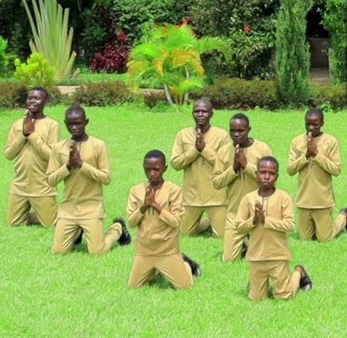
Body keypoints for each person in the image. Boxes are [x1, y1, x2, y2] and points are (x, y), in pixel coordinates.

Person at [47, 105, 130, 255]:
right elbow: (50, 180)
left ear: (86, 122)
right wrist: (68, 166)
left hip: (91, 207)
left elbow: (106, 178)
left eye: (78, 123)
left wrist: (81, 165)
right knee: (58, 251)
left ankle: (117, 228)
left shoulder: (98, 145)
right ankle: (77, 231)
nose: (74, 127)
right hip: (68, 207)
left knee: (97, 252)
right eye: (70, 124)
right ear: (65, 124)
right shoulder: (58, 148)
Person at [229, 156, 313, 301]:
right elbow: (238, 226)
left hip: (278, 255)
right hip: (256, 256)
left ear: (277, 176)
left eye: (271, 173)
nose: (267, 176)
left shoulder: (283, 197)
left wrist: (266, 220)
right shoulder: (248, 199)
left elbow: (290, 225)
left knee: (284, 296)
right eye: (263, 172)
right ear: (256, 174)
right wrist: (253, 220)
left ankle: (299, 273)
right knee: (256, 299)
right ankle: (261, 284)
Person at [126, 151, 201, 290]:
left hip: (167, 251)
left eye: (156, 169)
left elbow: (176, 222)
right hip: (145, 251)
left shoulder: (174, 190)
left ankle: (186, 265)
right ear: (143, 168)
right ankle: (155, 270)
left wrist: (155, 206)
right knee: (133, 287)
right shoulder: (136, 191)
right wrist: (143, 206)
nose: (152, 173)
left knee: (185, 287)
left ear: (165, 169)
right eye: (148, 169)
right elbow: (131, 223)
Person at [169, 99, 233, 237]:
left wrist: (204, 149)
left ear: (211, 114)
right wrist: (194, 151)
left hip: (216, 197)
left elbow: (225, 165)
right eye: (197, 111)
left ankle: (216, 221)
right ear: (192, 114)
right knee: (184, 234)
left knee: (222, 236)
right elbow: (175, 164)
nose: (200, 114)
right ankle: (207, 222)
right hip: (191, 197)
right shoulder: (183, 135)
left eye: (204, 111)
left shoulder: (222, 136)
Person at [218, 113, 272, 262]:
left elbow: (269, 180)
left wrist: (246, 166)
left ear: (248, 129)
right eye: (233, 131)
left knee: (264, 257)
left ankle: (249, 243)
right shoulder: (223, 151)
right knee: (229, 260)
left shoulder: (263, 149)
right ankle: (245, 244)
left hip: (260, 211)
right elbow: (217, 182)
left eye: (240, 131)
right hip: (234, 214)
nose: (236, 134)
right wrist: (234, 169)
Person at [287, 108, 347, 242]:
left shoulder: (331, 141)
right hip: (304, 200)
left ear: (322, 123)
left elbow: (336, 170)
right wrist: (306, 155)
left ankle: (344, 216)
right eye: (308, 124)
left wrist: (317, 155)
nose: (311, 127)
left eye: (315, 124)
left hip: (323, 201)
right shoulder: (296, 142)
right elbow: (290, 170)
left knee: (325, 239)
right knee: (305, 239)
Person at [6, 87, 60, 227]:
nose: (32, 101)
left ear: (45, 101)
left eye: (37, 98)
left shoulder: (52, 125)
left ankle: (62, 214)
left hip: (42, 186)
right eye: (30, 98)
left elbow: (51, 156)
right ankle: (44, 213)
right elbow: (8, 154)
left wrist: (32, 135)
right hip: (20, 186)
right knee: (15, 223)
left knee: (50, 224)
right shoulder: (17, 125)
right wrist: (23, 134)